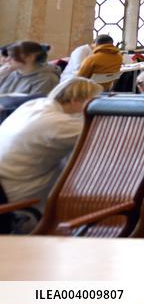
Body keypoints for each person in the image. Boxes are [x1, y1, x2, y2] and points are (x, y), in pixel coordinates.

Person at [0, 78, 102, 211]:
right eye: (92, 101)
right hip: (17, 189)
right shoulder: (59, 123)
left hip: (5, 178)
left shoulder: (35, 105)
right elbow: (103, 136)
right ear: (75, 100)